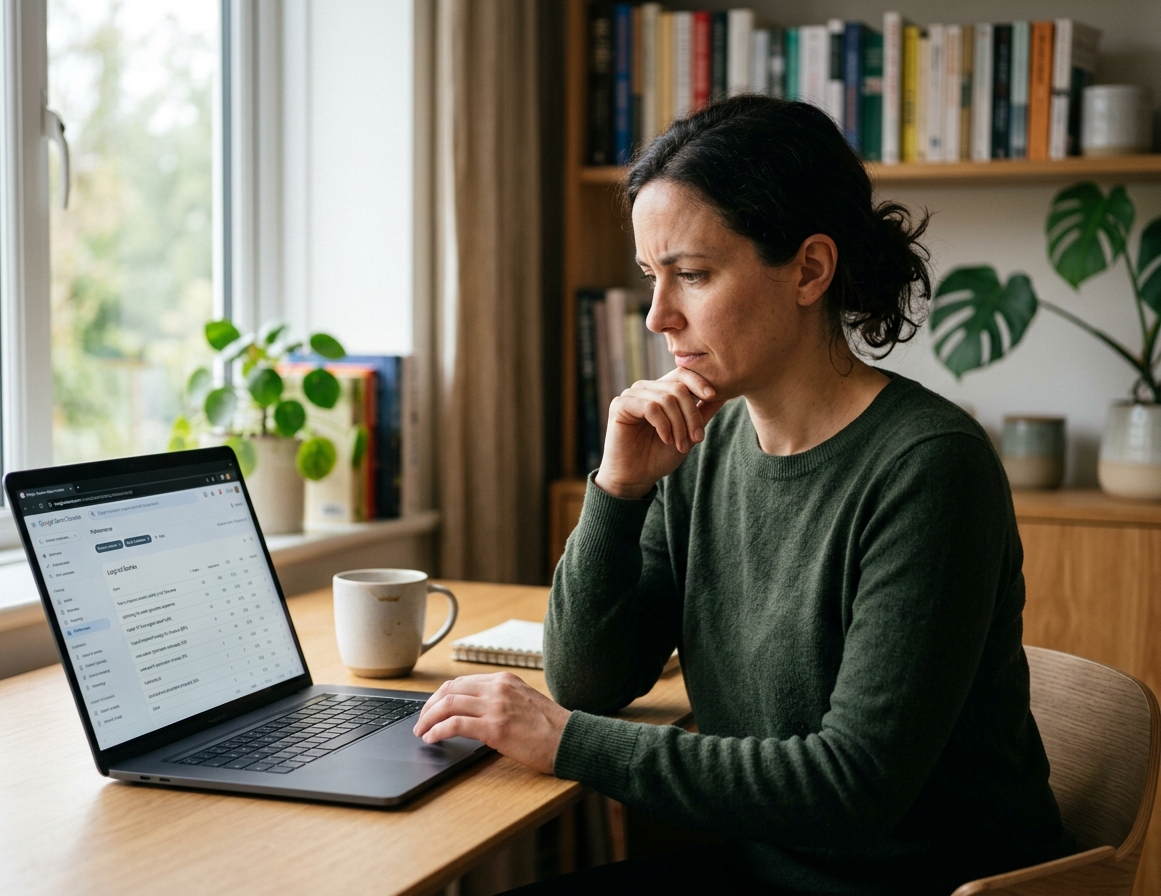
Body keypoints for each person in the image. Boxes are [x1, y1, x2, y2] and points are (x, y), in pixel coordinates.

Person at [412, 95, 1073, 895]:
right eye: (652, 278)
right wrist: (618, 488)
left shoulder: (930, 468)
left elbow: (852, 786)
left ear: (810, 269)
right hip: (766, 865)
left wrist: (566, 742)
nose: (659, 317)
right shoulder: (704, 445)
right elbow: (589, 680)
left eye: (692, 275)